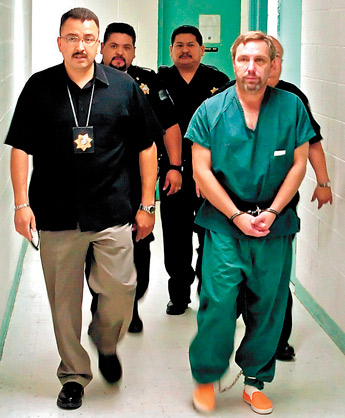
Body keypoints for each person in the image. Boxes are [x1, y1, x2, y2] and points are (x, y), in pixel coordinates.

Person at [5, 8, 160, 410]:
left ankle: (106, 341)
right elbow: (20, 147)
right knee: (63, 303)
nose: (80, 46)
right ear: (59, 43)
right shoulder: (39, 88)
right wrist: (21, 204)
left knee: (122, 291)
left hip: (112, 210)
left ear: (98, 44)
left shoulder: (125, 88)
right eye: (72, 38)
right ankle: (74, 374)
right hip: (56, 215)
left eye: (88, 38)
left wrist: (148, 204)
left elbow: (147, 148)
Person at [185, 31, 315, 414]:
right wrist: (237, 216)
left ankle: (255, 380)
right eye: (244, 60)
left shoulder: (291, 108)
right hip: (225, 222)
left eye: (261, 60)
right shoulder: (211, 111)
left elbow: (298, 163)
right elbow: (202, 172)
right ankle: (207, 375)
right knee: (218, 303)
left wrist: (273, 212)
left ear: (273, 62)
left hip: (275, 223)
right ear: (234, 62)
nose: (252, 68)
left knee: (268, 304)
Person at [85, 22, 182, 333]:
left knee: (139, 244)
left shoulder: (148, 83)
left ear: (134, 52)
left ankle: (131, 304)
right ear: (101, 48)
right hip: (96, 184)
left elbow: (170, 126)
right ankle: (100, 309)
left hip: (137, 182)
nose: (119, 53)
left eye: (127, 47)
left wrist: (175, 167)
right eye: (113, 46)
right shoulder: (85, 80)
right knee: (96, 247)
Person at [157, 25, 229, 315]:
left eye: (191, 45)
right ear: (171, 50)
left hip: (210, 174)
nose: (185, 50)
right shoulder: (160, 80)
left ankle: (208, 292)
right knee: (175, 235)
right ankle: (179, 294)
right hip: (173, 172)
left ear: (202, 49)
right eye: (179, 45)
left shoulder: (218, 81)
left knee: (210, 234)